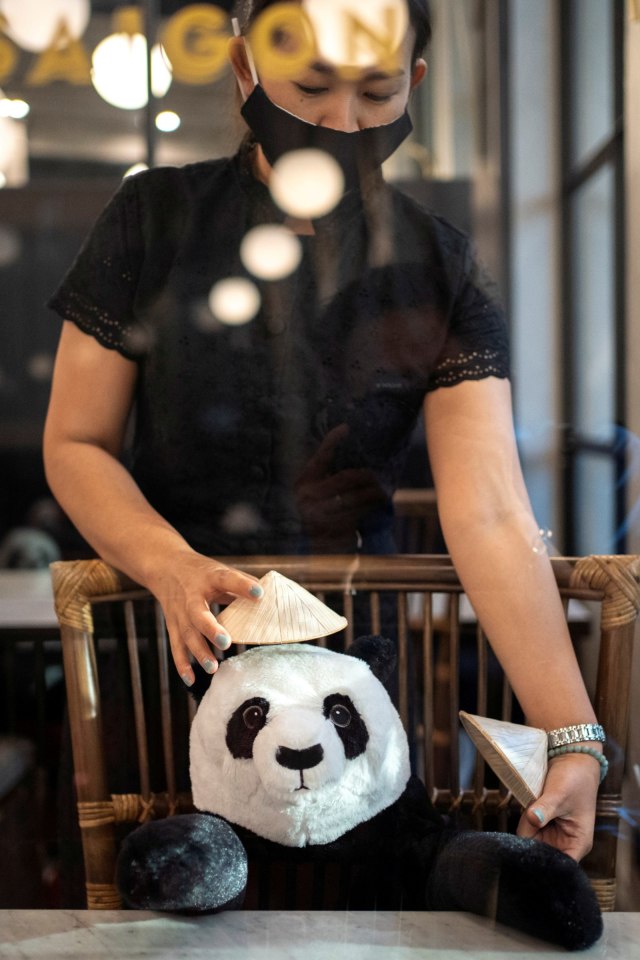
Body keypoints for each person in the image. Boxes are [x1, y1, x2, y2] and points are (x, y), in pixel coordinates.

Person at [44, 0, 603, 862]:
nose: (342, 123)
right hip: (171, 648)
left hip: (356, 659)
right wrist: (170, 565)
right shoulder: (149, 218)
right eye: (310, 87)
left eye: (377, 94)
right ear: (244, 69)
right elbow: (76, 442)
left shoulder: (437, 262)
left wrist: (572, 736)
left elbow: (490, 509)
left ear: (414, 83)